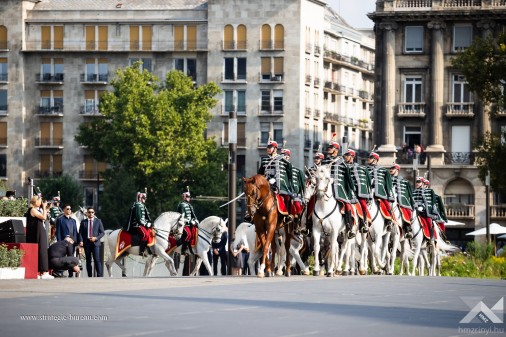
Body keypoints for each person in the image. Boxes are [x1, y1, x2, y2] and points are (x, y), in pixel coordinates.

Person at [256, 140, 293, 223]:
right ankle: (251, 215)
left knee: (286, 198)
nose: (268, 149)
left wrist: (285, 161)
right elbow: (259, 174)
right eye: (267, 147)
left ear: (275, 149)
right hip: (266, 185)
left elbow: (289, 171)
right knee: (256, 196)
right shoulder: (265, 160)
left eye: (270, 147)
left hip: (278, 185)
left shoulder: (281, 159)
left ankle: (286, 215)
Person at [327, 144, 357, 238]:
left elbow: (348, 177)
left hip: (339, 188)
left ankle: (349, 227)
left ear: (336, 150)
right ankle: (308, 225)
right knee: (312, 200)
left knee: (347, 204)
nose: (329, 149)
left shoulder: (341, 162)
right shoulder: (325, 161)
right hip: (326, 187)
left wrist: (353, 189)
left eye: (331, 148)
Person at [344, 149, 372, 234]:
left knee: (363, 204)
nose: (345, 157)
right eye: (345, 155)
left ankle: (363, 223)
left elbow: (367, 182)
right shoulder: (343, 166)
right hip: (347, 192)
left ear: (352, 157)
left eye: (347, 155)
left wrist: (366, 193)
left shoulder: (360, 168)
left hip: (358, 192)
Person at [25, 195, 53, 279]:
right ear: (35, 202)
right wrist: (44, 208)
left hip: (39, 231)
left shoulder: (36, 210)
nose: (41, 203)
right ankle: (43, 272)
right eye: (40, 201)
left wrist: (47, 208)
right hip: (37, 232)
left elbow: (44, 216)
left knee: (43, 249)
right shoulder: (32, 210)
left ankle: (42, 271)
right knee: (42, 250)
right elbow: (43, 217)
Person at [367, 151, 395, 231]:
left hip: (379, 192)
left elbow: (388, 184)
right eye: (369, 157)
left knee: (386, 204)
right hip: (367, 192)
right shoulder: (365, 169)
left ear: (375, 159)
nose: (368, 159)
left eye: (370, 158)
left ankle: (389, 220)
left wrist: (389, 195)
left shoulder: (383, 170)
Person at [389, 164, 416, 239]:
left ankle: (407, 230)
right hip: (389, 200)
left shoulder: (404, 181)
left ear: (397, 169)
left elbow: (410, 194)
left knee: (405, 212)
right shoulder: (387, 180)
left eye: (393, 168)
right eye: (390, 168)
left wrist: (413, 205)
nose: (390, 170)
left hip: (401, 202)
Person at [79, 207, 105, 277]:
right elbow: (80, 233)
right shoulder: (83, 222)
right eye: (89, 212)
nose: (91, 213)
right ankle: (90, 276)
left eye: (92, 212)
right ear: (87, 213)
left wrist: (96, 238)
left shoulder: (98, 221)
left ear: (94, 213)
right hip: (86, 243)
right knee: (88, 261)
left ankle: (99, 276)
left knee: (97, 260)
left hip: (95, 243)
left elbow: (102, 233)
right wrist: (81, 241)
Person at [282, 148, 305, 225]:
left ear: (289, 157)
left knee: (298, 207)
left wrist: (303, 195)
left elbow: (302, 185)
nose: (284, 157)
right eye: (282, 155)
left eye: (286, 155)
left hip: (294, 193)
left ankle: (297, 224)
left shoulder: (296, 170)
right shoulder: (278, 169)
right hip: (281, 190)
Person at [55, 204, 79, 277]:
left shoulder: (73, 221)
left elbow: (75, 232)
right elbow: (58, 232)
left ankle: (71, 274)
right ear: (64, 210)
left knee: (71, 257)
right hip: (63, 243)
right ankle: (60, 273)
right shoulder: (60, 220)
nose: (69, 210)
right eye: (67, 209)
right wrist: (60, 242)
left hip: (71, 243)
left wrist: (74, 241)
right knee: (62, 258)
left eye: (70, 209)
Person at [177, 189, 199, 255]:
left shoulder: (189, 205)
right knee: (188, 234)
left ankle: (191, 247)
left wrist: (195, 220)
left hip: (190, 224)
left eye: (189, 197)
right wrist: (190, 221)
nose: (189, 198)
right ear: (184, 197)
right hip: (183, 224)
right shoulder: (181, 205)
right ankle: (183, 249)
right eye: (188, 197)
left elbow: (193, 215)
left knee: (194, 234)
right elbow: (181, 217)